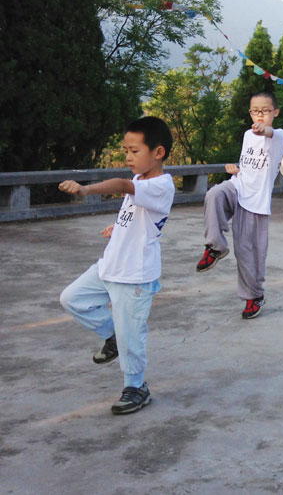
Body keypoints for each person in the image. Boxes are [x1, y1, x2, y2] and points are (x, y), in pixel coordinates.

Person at [58, 117, 175, 415]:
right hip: (109, 265)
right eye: (126, 150)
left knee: (132, 335)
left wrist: (85, 190)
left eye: (134, 151)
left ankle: (136, 387)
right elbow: (138, 213)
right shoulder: (139, 181)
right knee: (72, 299)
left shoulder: (161, 184)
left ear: (158, 152)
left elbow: (122, 184)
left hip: (134, 275)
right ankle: (110, 336)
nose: (128, 157)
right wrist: (118, 226)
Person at [196, 91, 283, 319]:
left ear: (275, 113)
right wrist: (238, 171)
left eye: (265, 111)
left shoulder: (279, 136)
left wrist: (263, 129)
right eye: (256, 111)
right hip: (238, 186)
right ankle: (215, 246)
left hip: (255, 202)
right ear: (250, 112)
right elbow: (252, 166)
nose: (260, 116)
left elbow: (268, 134)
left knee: (248, 253)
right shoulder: (248, 134)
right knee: (214, 194)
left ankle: (254, 296)